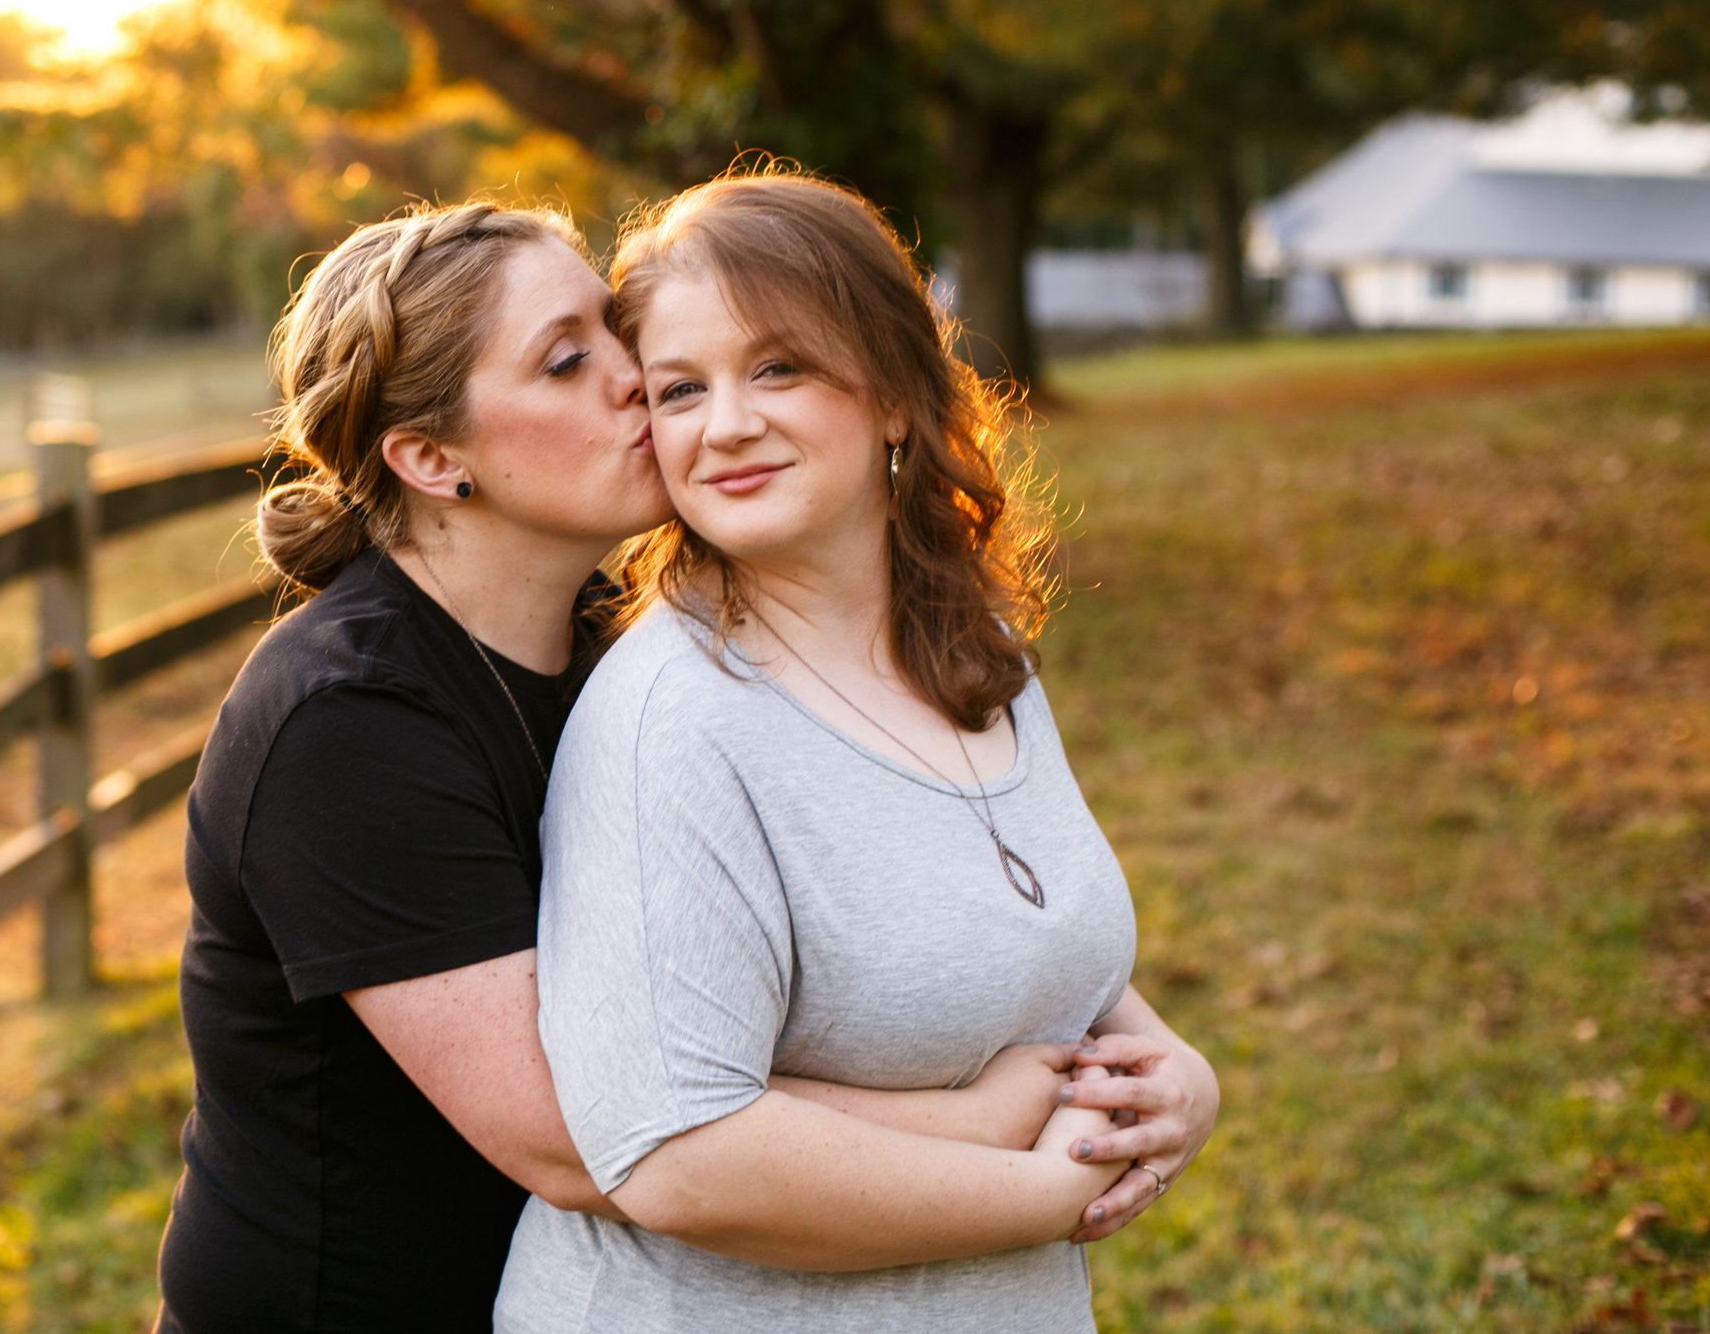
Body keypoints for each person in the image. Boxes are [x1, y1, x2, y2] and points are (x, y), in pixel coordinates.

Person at [157, 201, 1100, 1334]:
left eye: (615, 333)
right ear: (429, 456)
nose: (633, 378)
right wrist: (988, 1115)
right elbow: (593, 1126)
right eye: (566, 361)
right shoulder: (343, 722)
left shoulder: (612, 628)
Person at [497, 171, 1221, 1332]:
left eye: (777, 366)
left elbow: (1010, 933)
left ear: (893, 393)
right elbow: (678, 1152)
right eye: (680, 387)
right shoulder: (673, 725)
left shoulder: (971, 647)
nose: (725, 422)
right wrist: (1038, 1192)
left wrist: (1174, 1071)